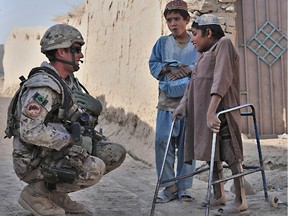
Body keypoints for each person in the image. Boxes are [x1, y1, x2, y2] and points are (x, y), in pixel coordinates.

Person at [5, 24, 126, 216]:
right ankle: (36, 194)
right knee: (94, 168)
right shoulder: (44, 87)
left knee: (114, 153)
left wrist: (95, 111)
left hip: (55, 152)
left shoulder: (68, 82)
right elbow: (30, 131)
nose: (81, 56)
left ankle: (56, 195)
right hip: (33, 159)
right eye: (76, 50)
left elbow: (79, 120)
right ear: (61, 51)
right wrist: (69, 140)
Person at [173, 14, 248, 214]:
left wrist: (212, 111)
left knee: (231, 155)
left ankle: (241, 200)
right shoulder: (202, 53)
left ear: (208, 33)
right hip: (204, 113)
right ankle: (218, 195)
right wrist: (183, 105)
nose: (192, 39)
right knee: (210, 154)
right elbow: (193, 84)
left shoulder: (223, 44)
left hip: (221, 111)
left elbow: (222, 78)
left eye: (195, 34)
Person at [149, 0, 197, 203]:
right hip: (166, 104)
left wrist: (188, 69)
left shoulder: (197, 41)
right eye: (169, 20)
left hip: (189, 104)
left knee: (187, 146)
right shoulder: (162, 43)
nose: (173, 24)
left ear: (186, 20)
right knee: (162, 142)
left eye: (177, 19)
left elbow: (204, 64)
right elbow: (153, 65)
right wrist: (169, 69)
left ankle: (184, 187)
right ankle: (169, 187)